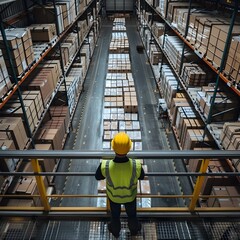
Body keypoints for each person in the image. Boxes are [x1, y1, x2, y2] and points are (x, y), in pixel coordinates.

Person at [95, 132, 145, 238]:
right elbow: (141, 176)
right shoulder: (136, 165)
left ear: (113, 148)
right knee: (132, 215)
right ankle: (134, 231)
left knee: (115, 216)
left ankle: (115, 232)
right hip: (130, 197)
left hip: (114, 197)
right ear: (129, 148)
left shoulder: (106, 165)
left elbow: (98, 176)